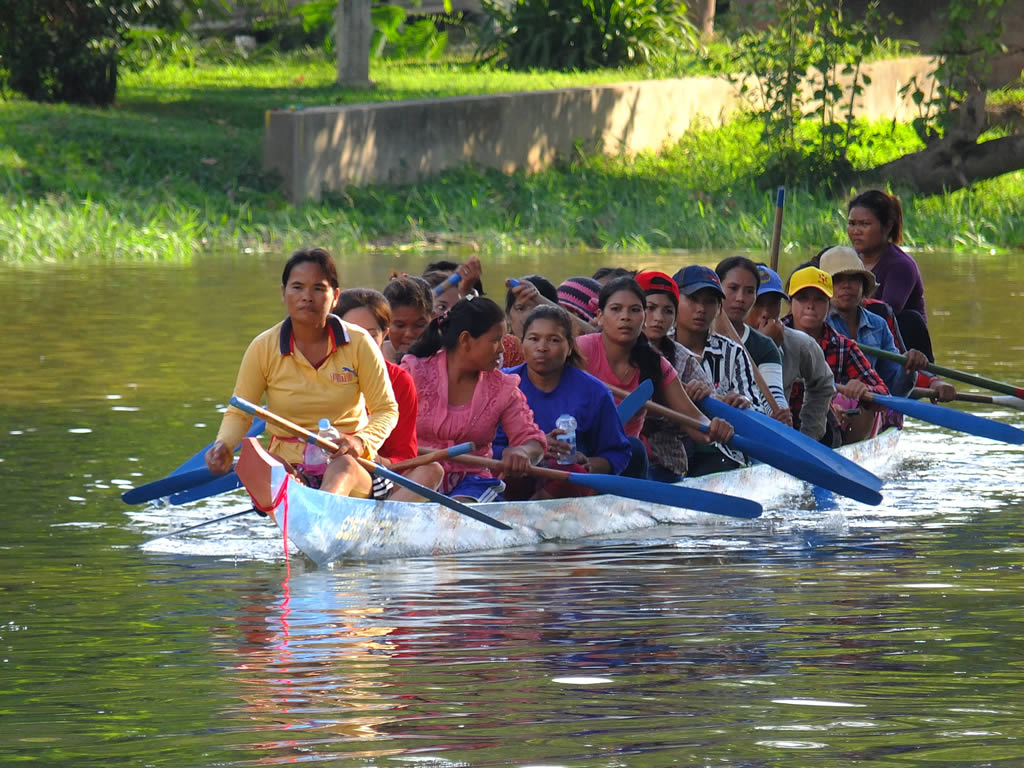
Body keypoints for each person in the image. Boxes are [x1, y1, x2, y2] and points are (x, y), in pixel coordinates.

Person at [206, 248, 398, 498]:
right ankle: (305, 503)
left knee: (343, 467)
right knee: (258, 462)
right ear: (283, 293)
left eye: (318, 288)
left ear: (335, 297)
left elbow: (386, 410)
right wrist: (223, 446)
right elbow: (241, 412)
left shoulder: (360, 343)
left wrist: (360, 442)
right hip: (289, 467)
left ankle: (320, 511)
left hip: (349, 465)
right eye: (297, 287)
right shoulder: (263, 347)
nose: (307, 297)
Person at [576, 276, 734, 479]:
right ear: (600, 315)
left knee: (634, 448)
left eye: (634, 310)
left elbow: (694, 420)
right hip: (578, 447)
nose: (625, 317)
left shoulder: (656, 364)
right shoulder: (581, 349)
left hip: (623, 458)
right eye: (616, 309)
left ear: (642, 317)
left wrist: (713, 428)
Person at [401, 296, 546, 502]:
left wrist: (523, 452)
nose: (502, 349)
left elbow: (532, 441)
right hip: (415, 475)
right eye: (495, 340)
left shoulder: (503, 388)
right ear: (466, 340)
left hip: (472, 484)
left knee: (454, 516)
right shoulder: (413, 372)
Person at [497, 305, 632, 499]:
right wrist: (530, 450)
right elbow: (482, 448)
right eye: (534, 339)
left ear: (569, 347)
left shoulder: (595, 392)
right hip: (512, 479)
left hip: (568, 487)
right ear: (522, 344)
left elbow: (618, 454)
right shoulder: (501, 384)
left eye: (553, 340)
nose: (542, 348)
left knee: (570, 469)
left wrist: (587, 464)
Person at [334, 288, 444, 501]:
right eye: (352, 335)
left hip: (377, 475)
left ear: (385, 334)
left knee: (432, 470)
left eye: (370, 335)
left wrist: (370, 455)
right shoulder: (320, 372)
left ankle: (379, 528)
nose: (361, 344)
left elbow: (404, 455)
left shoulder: (399, 380)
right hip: (327, 470)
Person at [671, 265, 768, 474]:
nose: (701, 309)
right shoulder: (658, 348)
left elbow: (757, 410)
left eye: (710, 302)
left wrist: (742, 404)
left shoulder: (733, 352)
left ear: (718, 308)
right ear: (674, 301)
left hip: (722, 453)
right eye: (693, 299)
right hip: (670, 449)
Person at [783, 265, 889, 445]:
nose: (810, 306)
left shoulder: (843, 347)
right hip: (779, 423)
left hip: (824, 429)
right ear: (790, 302)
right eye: (802, 299)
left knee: (866, 409)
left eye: (819, 300)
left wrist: (864, 390)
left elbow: (883, 394)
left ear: (828, 304)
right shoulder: (771, 338)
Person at [747, 265, 836, 443]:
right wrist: (763, 347)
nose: (765, 313)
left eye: (772, 304)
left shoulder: (799, 343)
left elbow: (823, 385)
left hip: (778, 437)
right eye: (758, 303)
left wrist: (808, 436)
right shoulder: (718, 340)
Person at [635, 270, 704, 482]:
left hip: (665, 461)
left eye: (667, 311)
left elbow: (703, 417)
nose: (658, 318)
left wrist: (704, 395)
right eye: (650, 308)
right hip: (616, 455)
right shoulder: (610, 348)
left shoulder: (685, 359)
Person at [847, 189, 933, 359]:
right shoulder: (846, 260)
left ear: (887, 226)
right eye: (852, 223)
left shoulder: (901, 265)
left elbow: (883, 313)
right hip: (858, 339)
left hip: (901, 348)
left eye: (864, 224)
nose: (856, 231)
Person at [714, 256, 791, 424]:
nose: (740, 298)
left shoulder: (764, 346)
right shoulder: (692, 335)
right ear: (717, 290)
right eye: (733, 288)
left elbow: (773, 393)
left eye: (749, 291)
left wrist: (779, 414)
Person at [503, 275, 559, 367]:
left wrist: (541, 299)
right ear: (508, 316)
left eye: (537, 310)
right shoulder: (497, 350)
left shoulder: (564, 353)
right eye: (520, 308)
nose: (527, 317)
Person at [381, 274, 433, 364]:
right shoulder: (372, 358)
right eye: (400, 326)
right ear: (386, 324)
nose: (409, 334)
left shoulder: (448, 358)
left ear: (433, 318)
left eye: (419, 325)